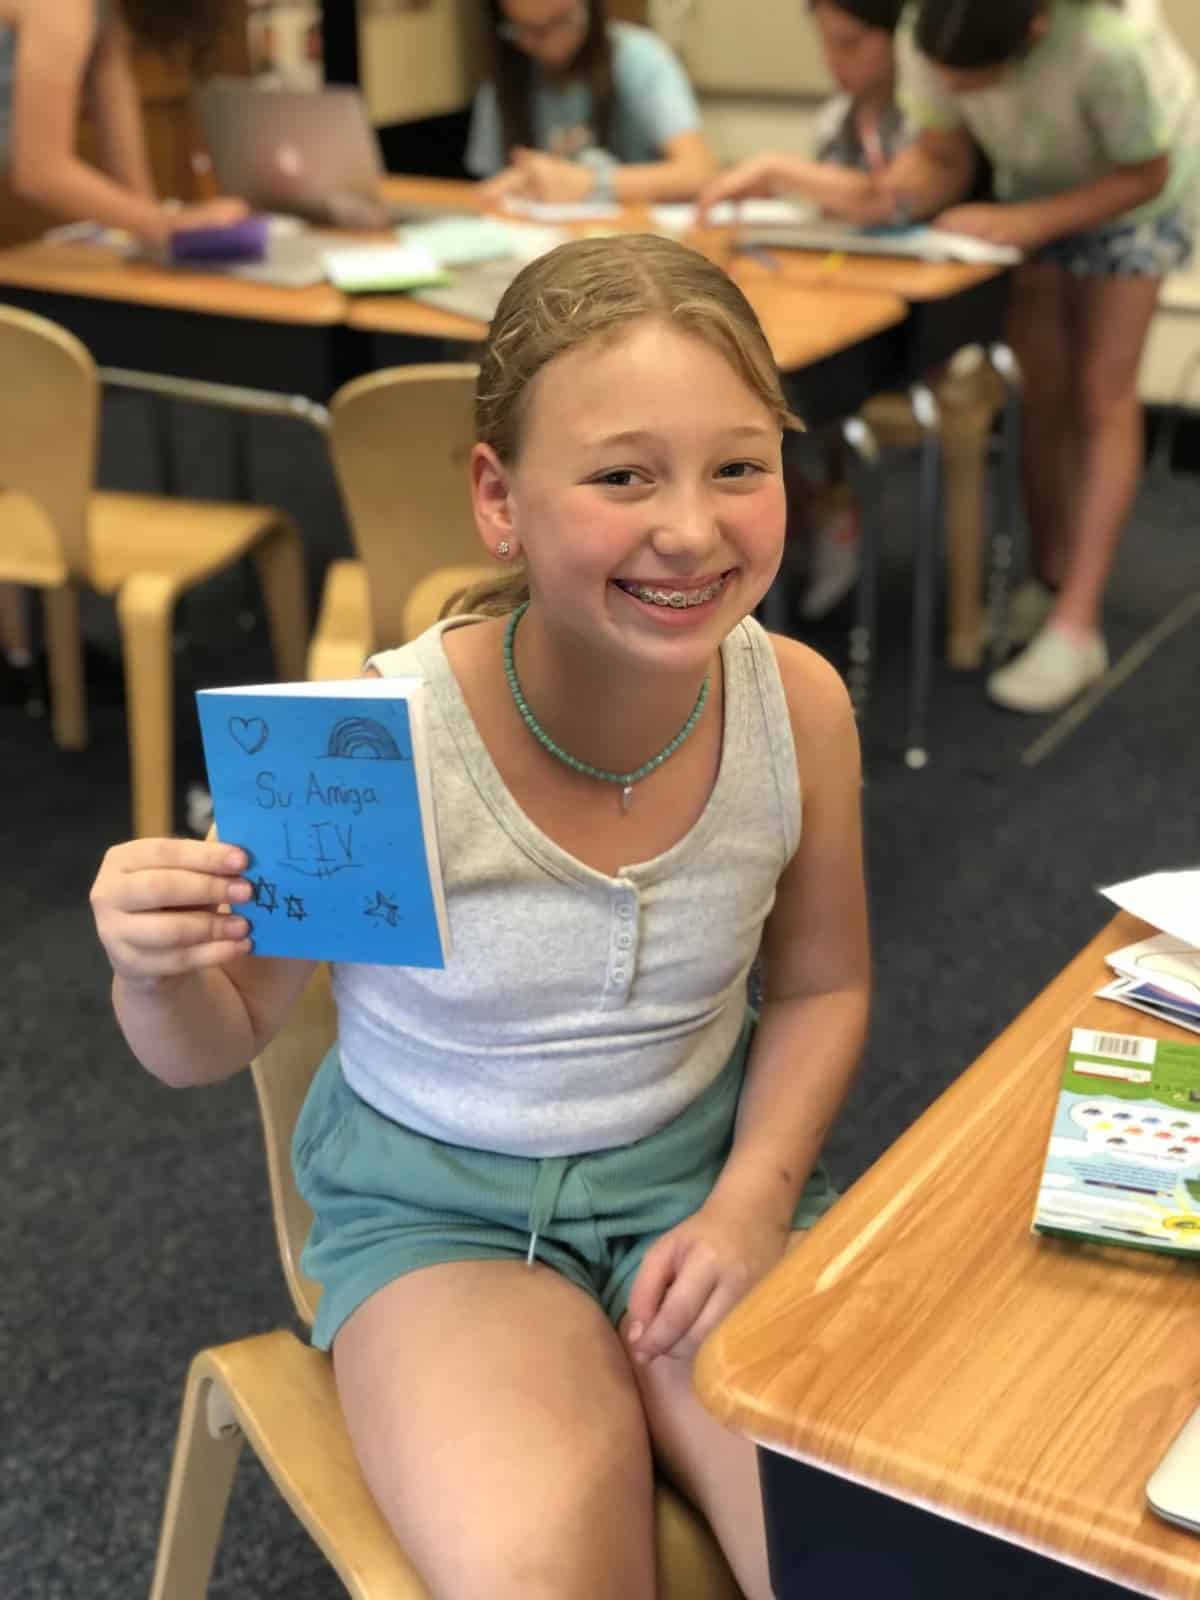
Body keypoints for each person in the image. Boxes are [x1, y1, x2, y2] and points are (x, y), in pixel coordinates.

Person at [90, 233, 870, 1599]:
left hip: (699, 1183)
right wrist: (155, 971)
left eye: (738, 466)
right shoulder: (374, 742)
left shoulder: (796, 705)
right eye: (624, 474)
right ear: (498, 500)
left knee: (879, 1553)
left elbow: (819, 987)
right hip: (440, 1219)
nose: (692, 528)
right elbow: (213, 1043)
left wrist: (750, 1203)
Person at [884, 0, 1200, 713]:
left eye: (979, 82)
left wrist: (1029, 222)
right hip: (1032, 183)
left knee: (1100, 393)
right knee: (1041, 389)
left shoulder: (1110, 46)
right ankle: (1049, 574)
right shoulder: (929, 24)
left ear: (1034, 32)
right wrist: (899, 190)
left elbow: (1147, 172)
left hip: (1142, 194)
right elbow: (943, 152)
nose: (962, 95)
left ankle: (1077, 623)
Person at [0, 0, 247, 698]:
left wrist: (157, 223)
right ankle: (23, 658)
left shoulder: (101, 16)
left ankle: (28, 657)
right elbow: (40, 170)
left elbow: (122, 148)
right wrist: (165, 227)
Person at [465, 0, 715, 205]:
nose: (548, 43)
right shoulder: (503, 80)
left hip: (630, 240)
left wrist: (590, 184)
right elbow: (489, 186)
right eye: (525, 30)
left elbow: (698, 173)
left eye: (559, 23)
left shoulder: (638, 56)